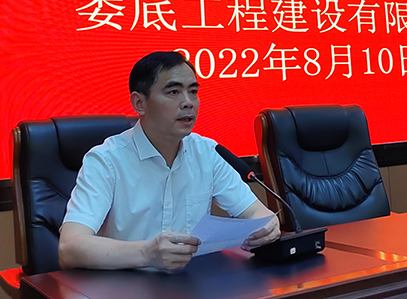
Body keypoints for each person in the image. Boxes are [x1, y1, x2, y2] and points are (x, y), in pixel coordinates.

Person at [58, 51, 281, 271]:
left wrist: (267, 226)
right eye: (173, 92)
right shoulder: (106, 160)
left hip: (192, 283)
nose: (188, 103)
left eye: (193, 92)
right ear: (139, 103)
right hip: (126, 282)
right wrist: (146, 254)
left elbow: (257, 213)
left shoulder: (208, 152)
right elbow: (69, 247)